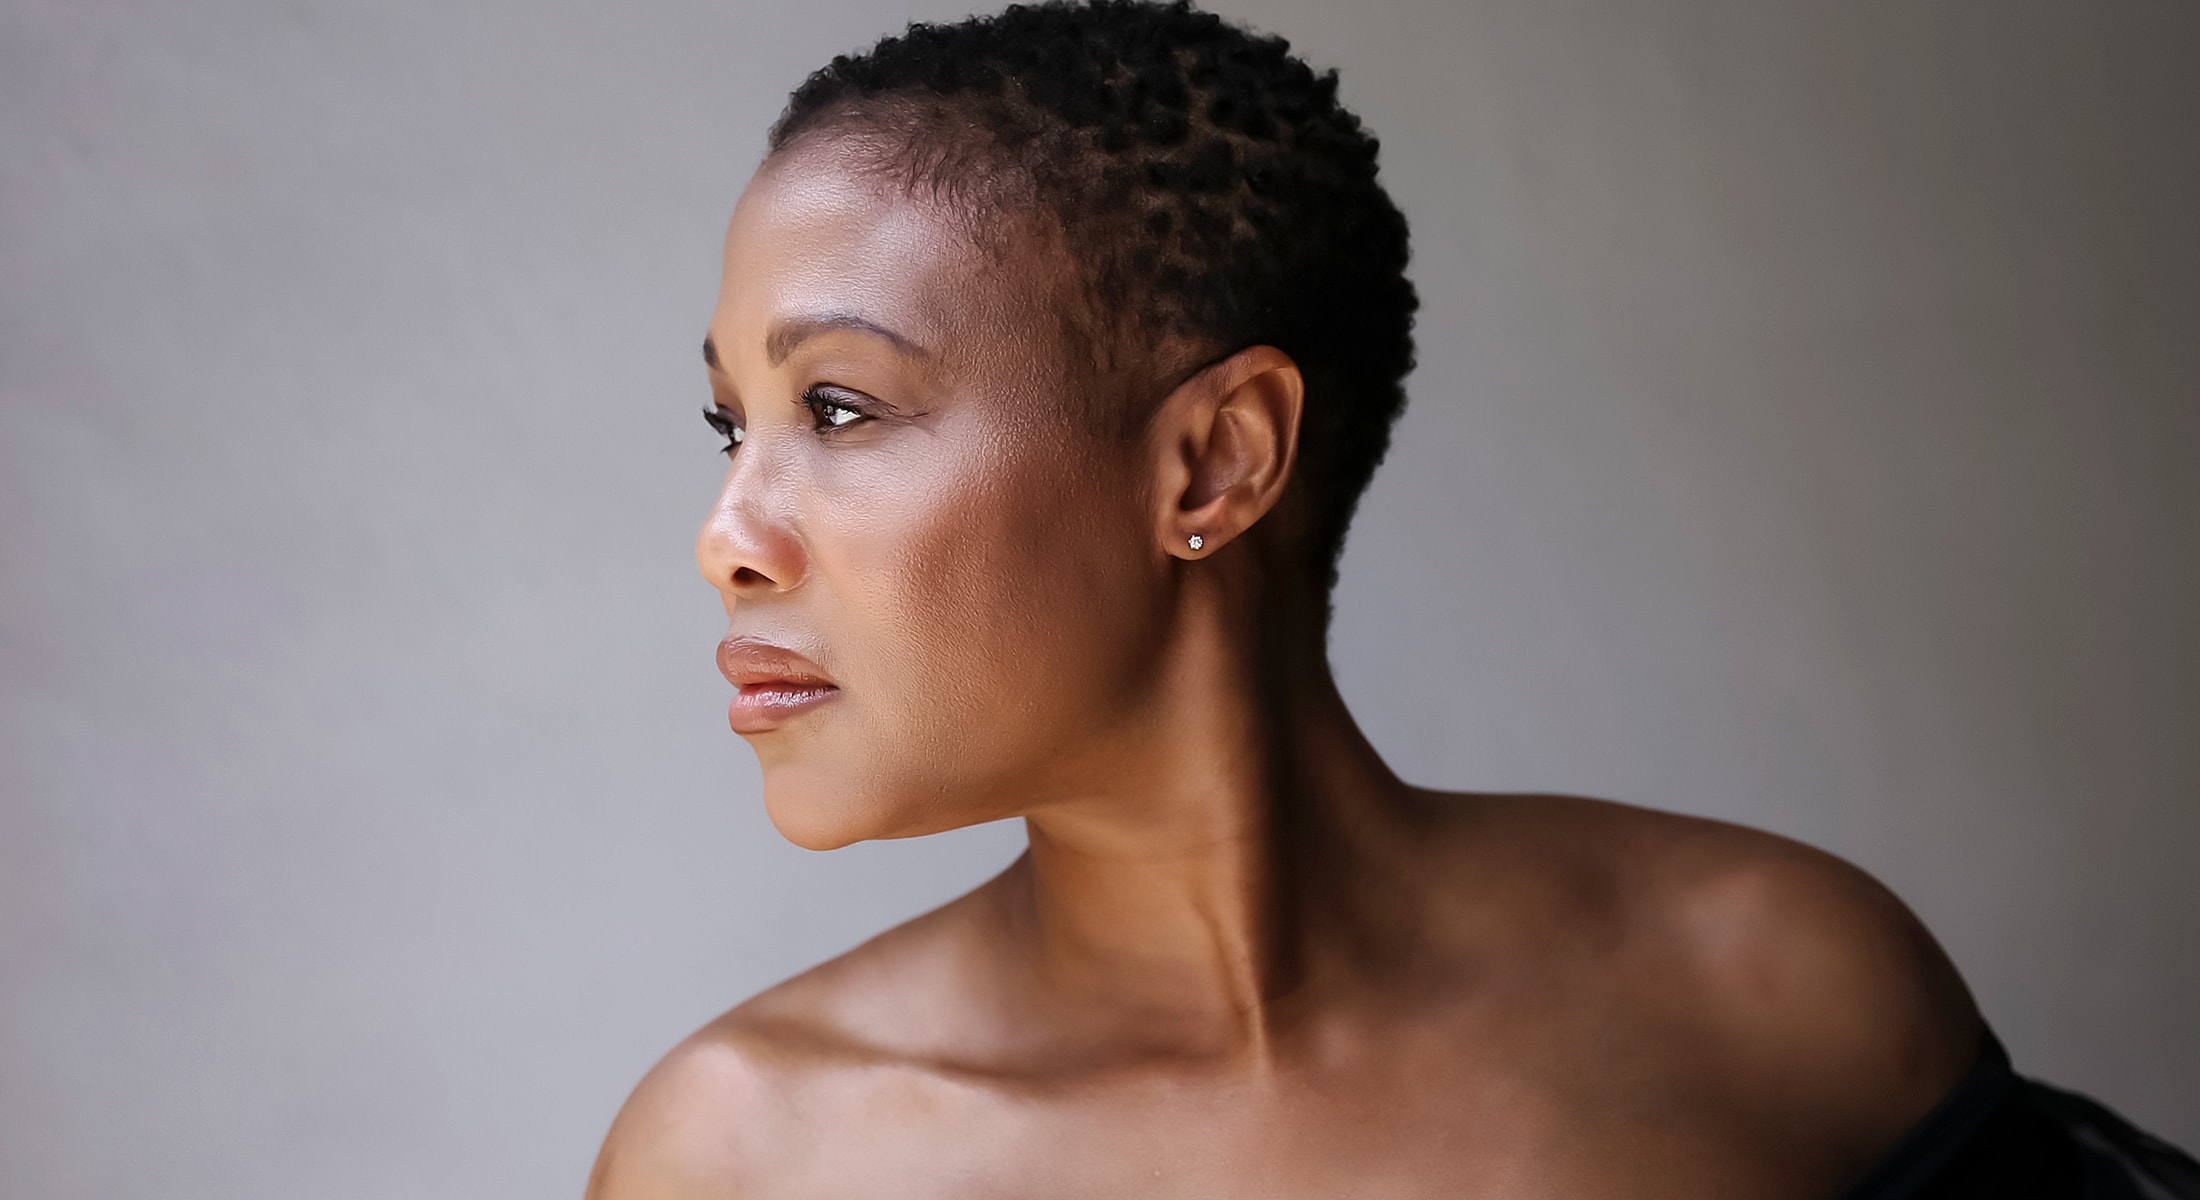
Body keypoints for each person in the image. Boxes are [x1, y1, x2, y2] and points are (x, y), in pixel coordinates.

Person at [585, 2, 2198, 1196]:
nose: (729, 537)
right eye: (732, 425)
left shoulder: (1775, 987)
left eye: (839, 409)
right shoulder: (739, 1160)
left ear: (1215, 463)